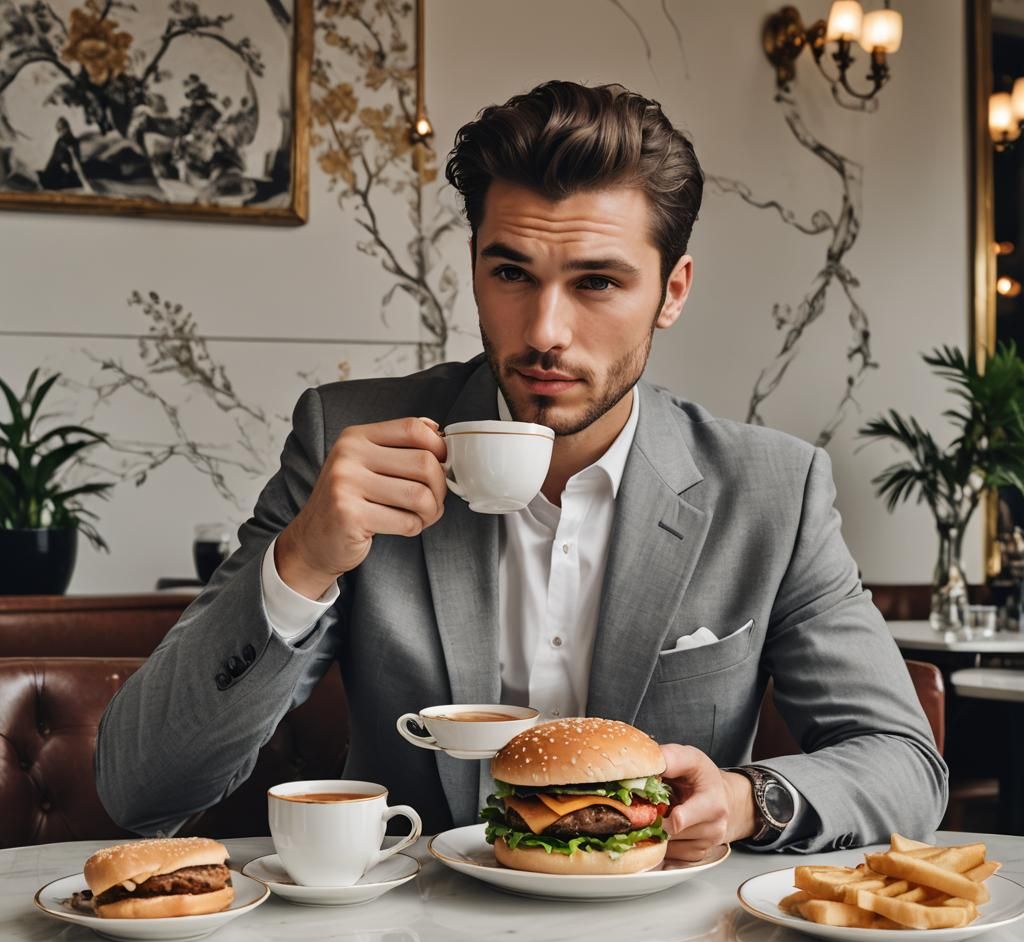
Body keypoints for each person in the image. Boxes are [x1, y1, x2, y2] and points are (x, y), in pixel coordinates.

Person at [95, 80, 948, 858]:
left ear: (673, 290)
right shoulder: (347, 437)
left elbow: (906, 764)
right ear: (474, 270)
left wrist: (745, 798)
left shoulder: (771, 491)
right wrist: (302, 563)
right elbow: (141, 789)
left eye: (597, 283)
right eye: (511, 272)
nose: (544, 330)